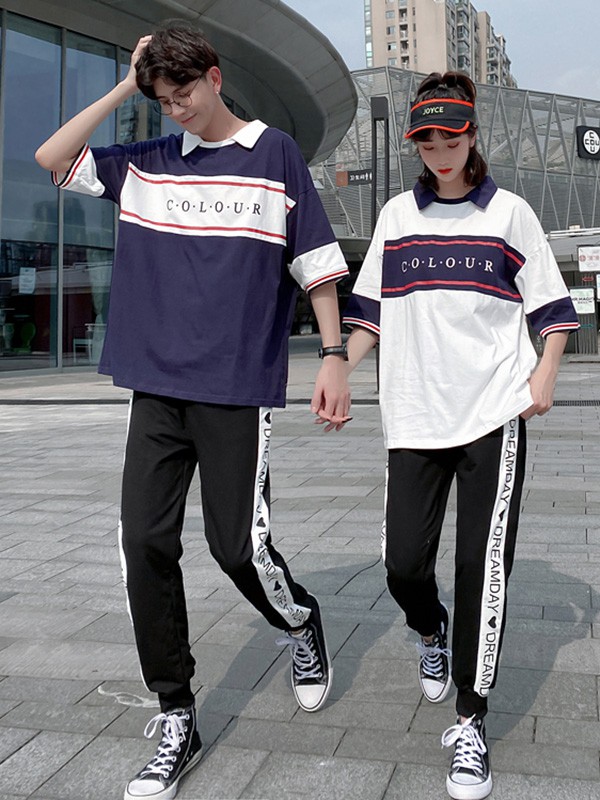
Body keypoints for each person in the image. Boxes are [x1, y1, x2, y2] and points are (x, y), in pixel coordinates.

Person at [35, 22, 351, 800]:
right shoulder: (149, 163)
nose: (176, 110)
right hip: (156, 385)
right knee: (143, 543)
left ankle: (300, 622)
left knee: (238, 549)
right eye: (163, 100)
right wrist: (127, 81)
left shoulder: (274, 153)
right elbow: (52, 157)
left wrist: (334, 356)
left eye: (184, 94)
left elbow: (315, 262)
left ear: (214, 76)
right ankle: (176, 711)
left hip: (236, 386)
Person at [340, 72, 579, 800]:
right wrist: (338, 368)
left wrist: (544, 376)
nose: (439, 151)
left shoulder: (510, 214)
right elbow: (369, 313)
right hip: (414, 417)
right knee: (403, 567)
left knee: (483, 568)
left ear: (472, 136)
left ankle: (471, 719)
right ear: (415, 144)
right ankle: (431, 630)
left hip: (492, 416)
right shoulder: (395, 218)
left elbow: (552, 311)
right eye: (427, 141)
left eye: (451, 138)